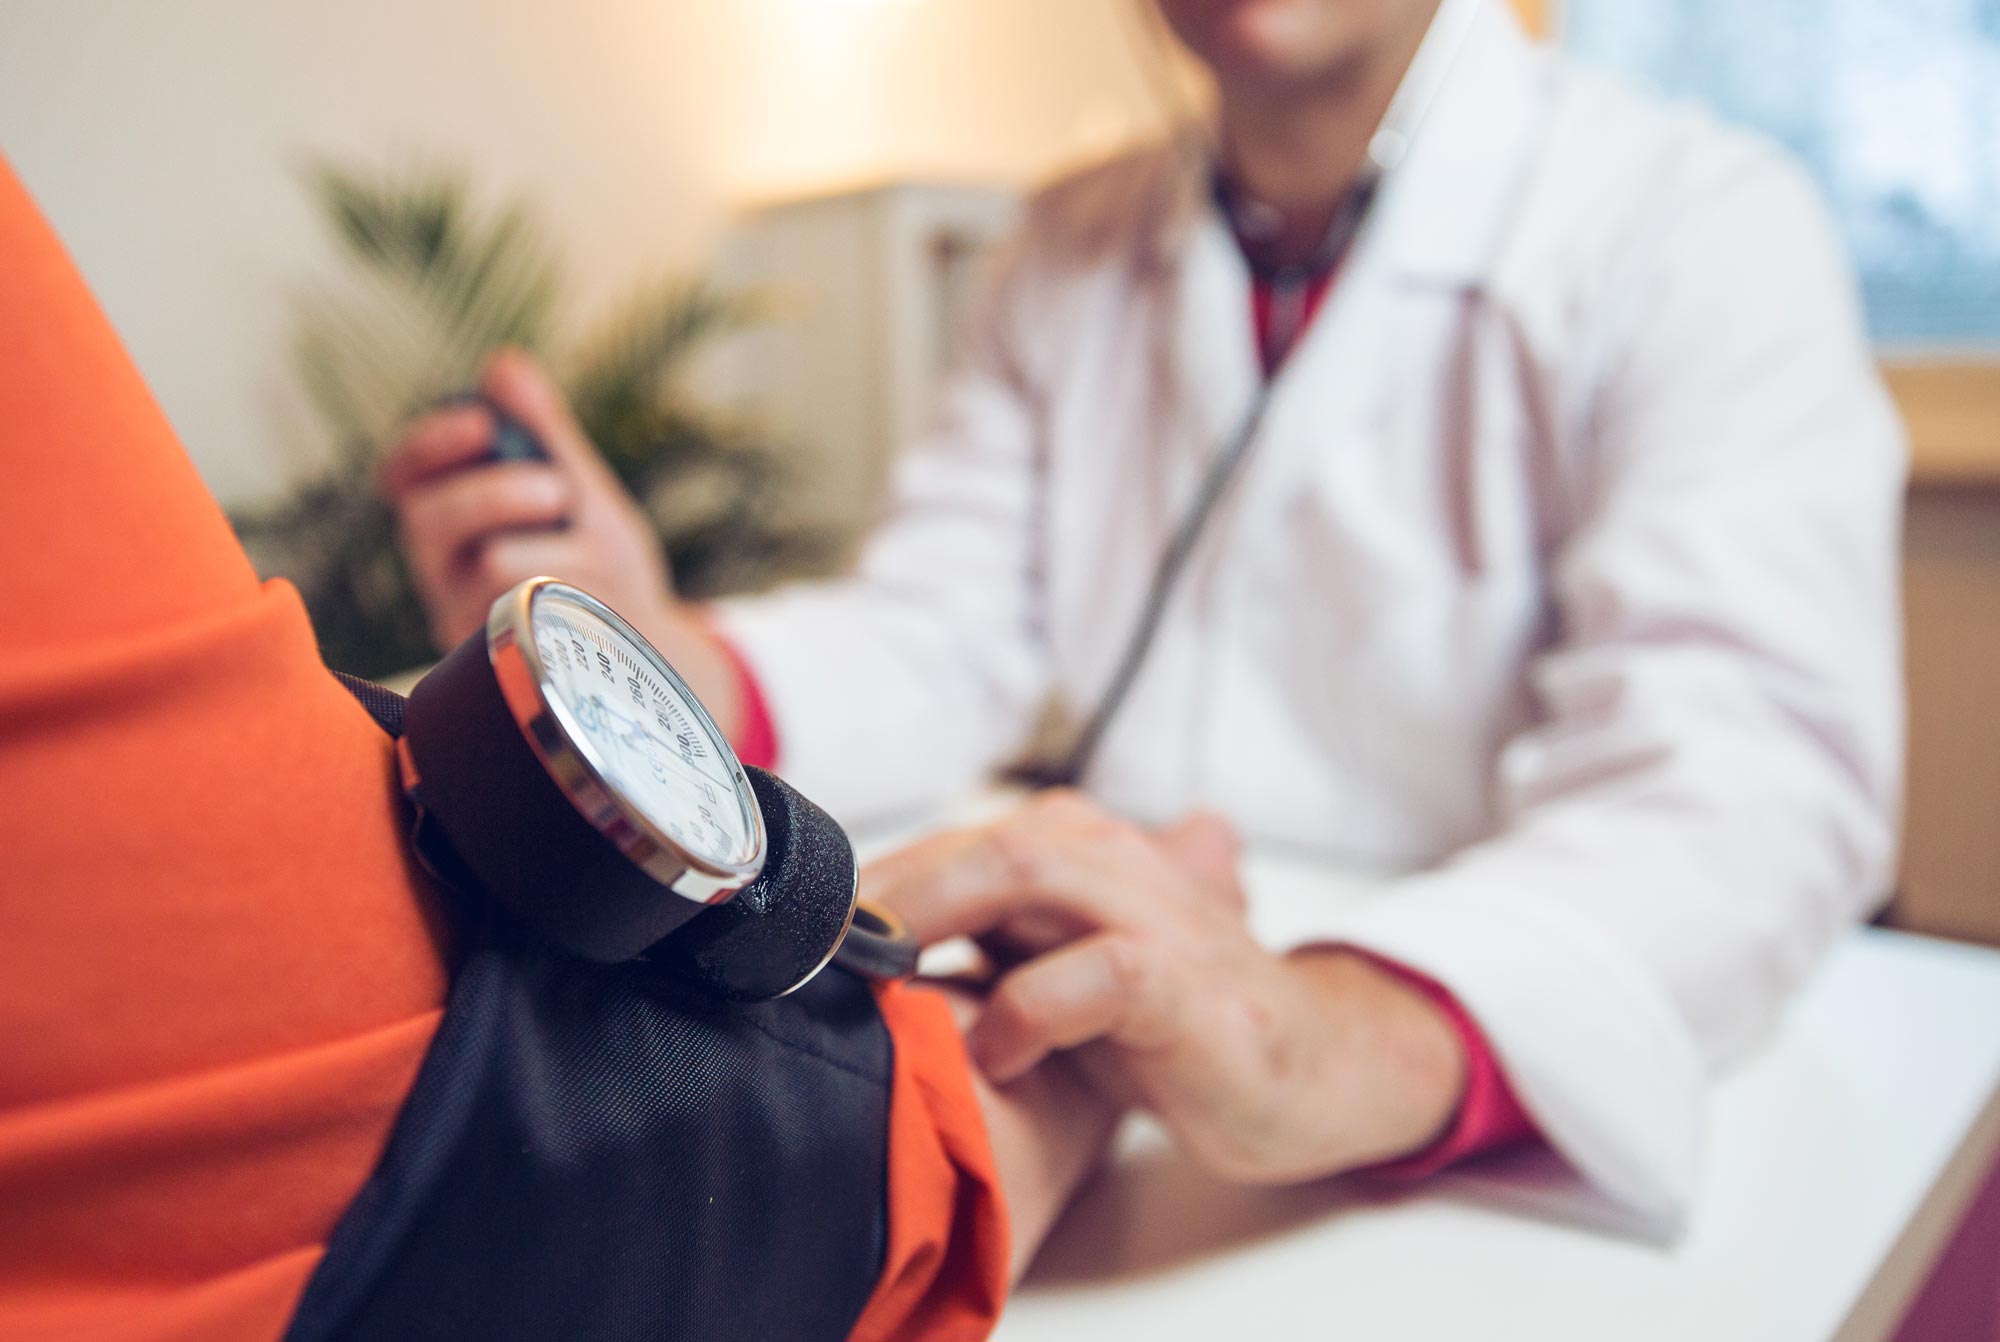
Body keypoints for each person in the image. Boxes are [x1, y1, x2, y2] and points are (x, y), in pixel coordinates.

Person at [382, 0, 1905, 1224]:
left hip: (1489, 1055)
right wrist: (664, 671)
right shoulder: (1067, 241)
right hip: (1109, 1035)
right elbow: (950, 621)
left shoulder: (1702, 221)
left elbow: (1746, 786)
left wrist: (1337, 1034)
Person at [0, 154, 1129, 1341]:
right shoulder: (1065, 239)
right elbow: (949, 631)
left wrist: (1343, 1000)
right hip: (1083, 920)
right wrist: (1035, 1077)